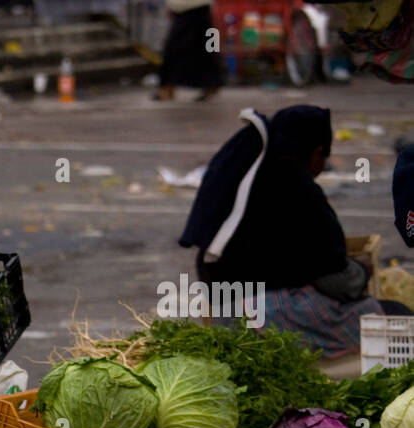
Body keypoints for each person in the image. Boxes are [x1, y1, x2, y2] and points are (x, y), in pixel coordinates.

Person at [179, 105, 384, 375]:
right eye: (324, 157)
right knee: (376, 313)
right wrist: (363, 269)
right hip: (262, 317)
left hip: (222, 312)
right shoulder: (296, 187)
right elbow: (337, 281)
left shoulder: (248, 174)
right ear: (315, 153)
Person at [154, 0, 222, 102]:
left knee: (176, 47)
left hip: (192, 6)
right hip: (189, 7)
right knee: (203, 47)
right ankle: (210, 85)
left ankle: (167, 87)